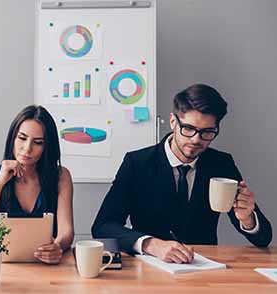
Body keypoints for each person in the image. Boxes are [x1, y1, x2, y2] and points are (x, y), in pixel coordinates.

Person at [91, 84, 272, 263]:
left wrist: (248, 219)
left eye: (207, 132)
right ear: (173, 121)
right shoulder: (137, 163)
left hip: (204, 268)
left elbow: (264, 239)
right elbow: (103, 226)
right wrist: (151, 244)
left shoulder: (221, 164)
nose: (196, 139)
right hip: (149, 266)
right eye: (188, 128)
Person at [0, 105, 74, 264]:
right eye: (22, 138)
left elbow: (66, 231)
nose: (27, 149)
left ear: (47, 147)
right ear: (13, 138)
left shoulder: (61, 177)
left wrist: (58, 246)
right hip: (2, 268)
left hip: (48, 268)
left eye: (38, 142)